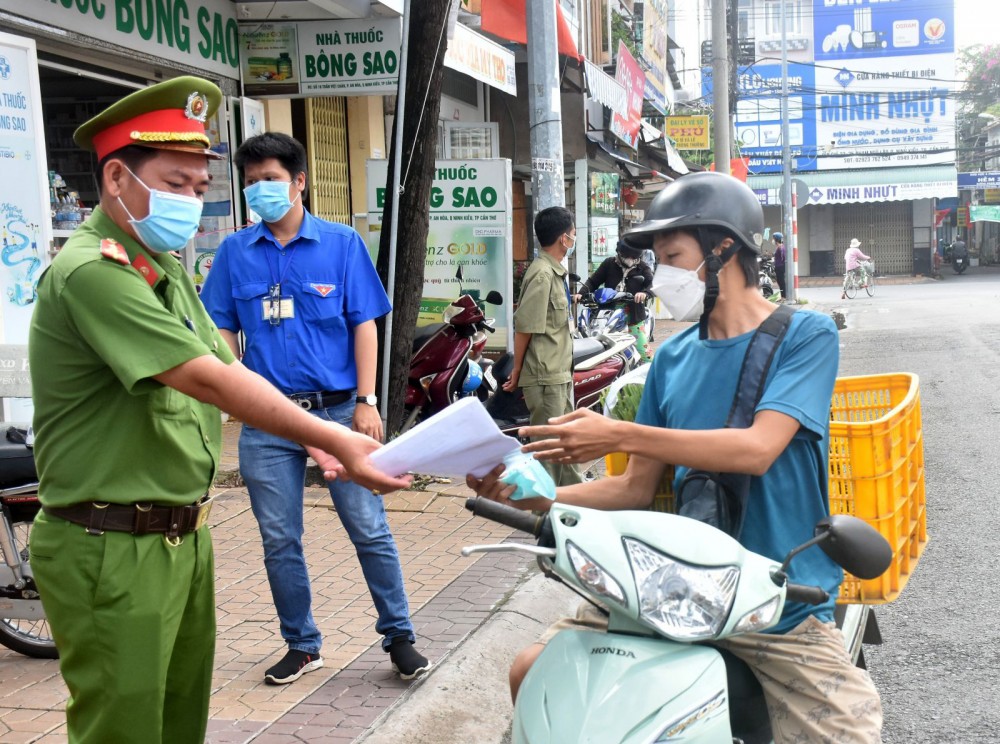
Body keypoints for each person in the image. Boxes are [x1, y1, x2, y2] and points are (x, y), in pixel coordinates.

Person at [27, 77, 411, 744]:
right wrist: (329, 436)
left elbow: (230, 366)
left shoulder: (161, 267)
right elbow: (207, 377)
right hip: (109, 543)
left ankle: (399, 633)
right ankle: (304, 639)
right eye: (176, 182)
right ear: (117, 177)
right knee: (123, 729)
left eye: (199, 189)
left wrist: (325, 434)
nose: (190, 201)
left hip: (179, 537)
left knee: (177, 726)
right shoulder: (95, 271)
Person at [468, 171, 883, 742]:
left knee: (849, 731)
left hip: (776, 600)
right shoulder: (672, 358)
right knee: (532, 670)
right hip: (676, 590)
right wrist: (541, 496)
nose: (660, 273)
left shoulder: (805, 334)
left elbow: (758, 448)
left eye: (673, 255)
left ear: (724, 248)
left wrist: (619, 435)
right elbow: (634, 490)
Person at [200, 132, 429, 685]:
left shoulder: (341, 243)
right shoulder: (235, 252)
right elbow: (220, 330)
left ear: (300, 181)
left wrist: (369, 402)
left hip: (339, 413)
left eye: (271, 179)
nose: (260, 190)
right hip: (267, 421)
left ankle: (399, 637)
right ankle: (301, 644)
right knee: (279, 539)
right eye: (251, 182)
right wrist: (237, 387)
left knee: (368, 527)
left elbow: (365, 324)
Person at [503, 206, 582, 487]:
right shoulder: (542, 274)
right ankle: (542, 512)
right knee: (548, 448)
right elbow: (525, 326)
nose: (573, 240)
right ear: (563, 239)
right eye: (572, 235)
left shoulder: (554, 272)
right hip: (545, 376)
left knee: (565, 442)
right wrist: (518, 369)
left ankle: (578, 502)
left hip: (558, 373)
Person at [573, 238, 654, 360]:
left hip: (632, 314)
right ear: (620, 253)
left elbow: (652, 284)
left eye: (634, 257)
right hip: (607, 312)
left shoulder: (642, 267)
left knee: (645, 354)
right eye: (628, 256)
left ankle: (650, 374)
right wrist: (581, 294)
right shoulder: (608, 263)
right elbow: (593, 281)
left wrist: (645, 293)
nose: (631, 260)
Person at [772, 231, 786, 298]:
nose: (773, 240)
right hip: (779, 267)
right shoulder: (780, 247)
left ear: (776, 239)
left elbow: (783, 257)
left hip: (780, 267)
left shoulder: (780, 248)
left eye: (774, 239)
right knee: (780, 282)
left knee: (781, 282)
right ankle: (783, 296)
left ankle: (784, 297)